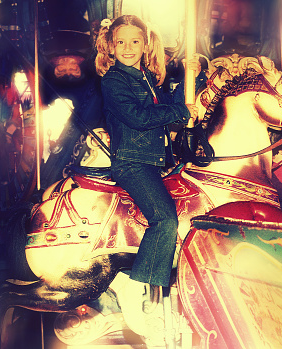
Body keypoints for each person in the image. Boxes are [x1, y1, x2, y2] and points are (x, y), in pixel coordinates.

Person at [95, 15, 198, 288]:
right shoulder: (114, 80)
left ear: (145, 45)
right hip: (132, 162)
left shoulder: (147, 78)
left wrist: (191, 77)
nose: (128, 48)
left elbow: (169, 110)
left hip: (153, 161)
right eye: (121, 42)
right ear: (111, 47)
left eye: (135, 41)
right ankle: (144, 288)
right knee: (164, 219)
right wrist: (180, 110)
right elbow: (139, 117)